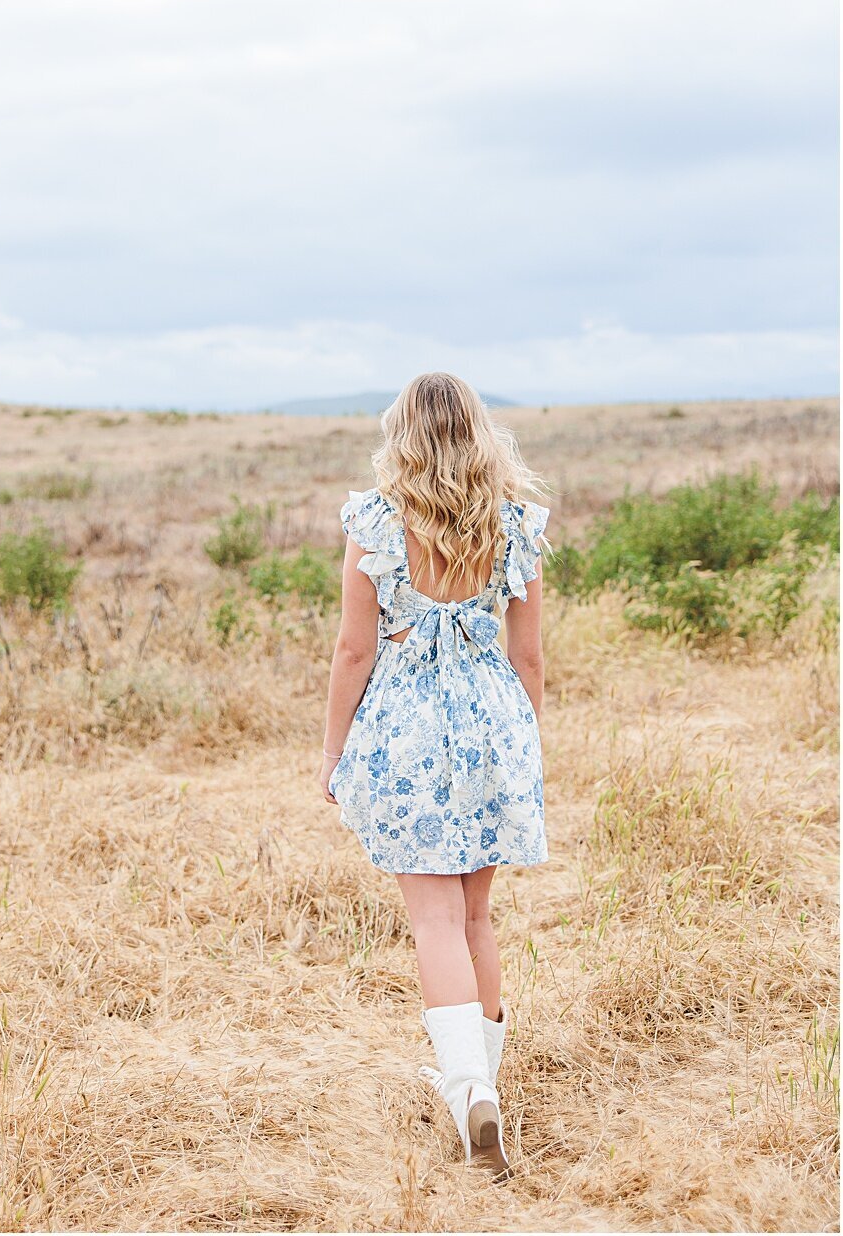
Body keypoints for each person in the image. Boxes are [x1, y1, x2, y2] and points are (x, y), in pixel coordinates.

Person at [320, 372, 551, 1179]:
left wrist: (333, 748)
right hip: (493, 725)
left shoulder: (377, 523)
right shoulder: (514, 523)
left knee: (434, 921)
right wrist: (525, 748)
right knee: (476, 917)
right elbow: (527, 655)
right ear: (481, 435)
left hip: (407, 731)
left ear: (404, 437)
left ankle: (468, 1093)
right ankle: (478, 1083)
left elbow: (354, 649)